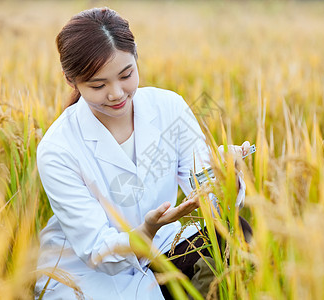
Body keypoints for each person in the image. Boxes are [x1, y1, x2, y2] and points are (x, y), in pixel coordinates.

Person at [34, 7, 251, 300]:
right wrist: (145, 230)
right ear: (71, 81)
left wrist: (224, 178)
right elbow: (97, 249)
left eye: (126, 75)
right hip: (92, 272)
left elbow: (208, 195)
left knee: (237, 233)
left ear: (136, 59)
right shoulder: (57, 149)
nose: (116, 93)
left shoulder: (168, 107)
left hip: (162, 246)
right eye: (98, 85)